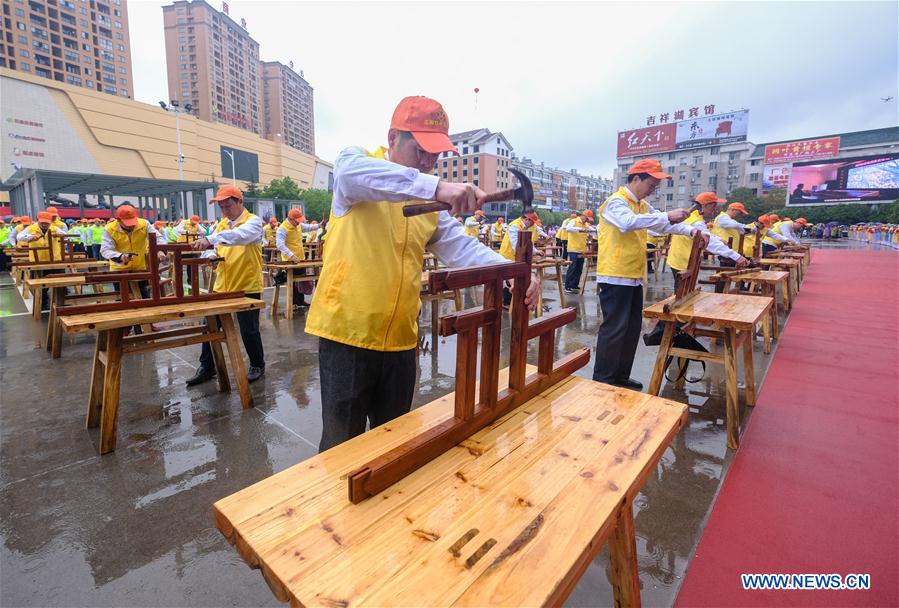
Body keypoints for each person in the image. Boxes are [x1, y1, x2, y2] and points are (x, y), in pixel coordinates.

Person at [306, 95, 539, 452]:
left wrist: (513, 272)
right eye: (421, 150)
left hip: (401, 340)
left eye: (435, 155)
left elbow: (462, 247)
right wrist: (438, 186)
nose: (429, 162)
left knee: (394, 446)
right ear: (393, 138)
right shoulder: (357, 166)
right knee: (340, 449)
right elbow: (351, 174)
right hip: (347, 336)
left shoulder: (429, 207)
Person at [592, 159, 711, 390]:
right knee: (615, 329)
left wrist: (691, 230)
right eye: (651, 184)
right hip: (615, 275)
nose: (653, 189)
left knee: (631, 329)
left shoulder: (643, 206)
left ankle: (620, 376)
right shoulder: (615, 202)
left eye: (656, 186)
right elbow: (627, 223)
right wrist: (667, 216)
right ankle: (604, 380)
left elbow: (664, 226)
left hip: (634, 276)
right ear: (636, 178)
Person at [188, 185, 267, 385]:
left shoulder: (253, 222)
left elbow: (239, 236)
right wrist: (210, 254)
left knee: (249, 330)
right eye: (221, 207)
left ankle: (257, 364)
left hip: (247, 283)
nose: (225, 211)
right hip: (223, 284)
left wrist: (209, 240)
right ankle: (207, 366)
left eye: (228, 206)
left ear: (240, 202)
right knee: (210, 325)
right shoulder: (221, 224)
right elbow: (213, 248)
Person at [667, 193, 748, 288]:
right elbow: (710, 242)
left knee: (683, 290)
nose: (715, 209)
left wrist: (719, 239)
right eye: (714, 206)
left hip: (679, 258)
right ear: (705, 205)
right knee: (683, 290)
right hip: (684, 261)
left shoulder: (693, 216)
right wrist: (737, 257)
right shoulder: (696, 222)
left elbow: (707, 234)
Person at [100, 204, 167, 299]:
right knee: (123, 300)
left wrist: (159, 250)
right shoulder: (109, 229)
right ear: (118, 220)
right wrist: (121, 256)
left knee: (144, 298)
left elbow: (158, 238)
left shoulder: (144, 224)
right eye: (127, 223)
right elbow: (105, 249)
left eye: (132, 222)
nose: (131, 226)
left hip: (140, 268)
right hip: (119, 270)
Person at [18, 211, 68, 310]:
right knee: (40, 285)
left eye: (47, 223)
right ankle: (42, 304)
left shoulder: (54, 228)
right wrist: (30, 237)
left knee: (60, 283)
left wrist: (61, 235)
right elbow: (19, 237)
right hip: (38, 261)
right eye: (42, 223)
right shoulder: (31, 228)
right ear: (38, 221)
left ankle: (61, 303)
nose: (45, 225)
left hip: (54, 260)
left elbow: (65, 235)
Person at [275, 208, 319, 307]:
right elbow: (280, 245)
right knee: (293, 282)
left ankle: (300, 301)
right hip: (289, 260)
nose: (298, 223)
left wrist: (319, 225)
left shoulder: (298, 225)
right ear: (291, 219)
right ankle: (292, 303)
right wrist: (291, 255)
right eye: (297, 221)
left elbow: (308, 227)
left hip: (300, 259)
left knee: (301, 280)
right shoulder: (282, 228)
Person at [499, 209, 539, 305]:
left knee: (512, 279)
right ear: (527, 219)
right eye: (532, 222)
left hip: (516, 257)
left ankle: (511, 301)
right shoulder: (514, 226)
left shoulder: (524, 227)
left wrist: (536, 251)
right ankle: (507, 302)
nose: (533, 225)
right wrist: (524, 254)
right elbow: (516, 243)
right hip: (507, 255)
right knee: (508, 279)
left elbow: (527, 242)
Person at [711, 201, 754, 267]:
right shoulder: (723, 217)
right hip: (725, 251)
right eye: (739, 212)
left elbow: (738, 229)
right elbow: (734, 224)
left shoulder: (728, 219)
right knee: (726, 271)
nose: (739, 214)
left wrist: (749, 230)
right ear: (732, 210)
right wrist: (747, 228)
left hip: (730, 252)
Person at [563, 209, 594, 292]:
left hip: (582, 249)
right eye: (587, 218)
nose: (587, 220)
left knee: (579, 268)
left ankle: (574, 285)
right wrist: (580, 229)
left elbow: (594, 231)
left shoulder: (586, 225)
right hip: (573, 248)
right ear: (583, 216)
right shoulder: (574, 221)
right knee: (572, 267)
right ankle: (567, 286)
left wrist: (593, 231)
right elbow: (568, 228)